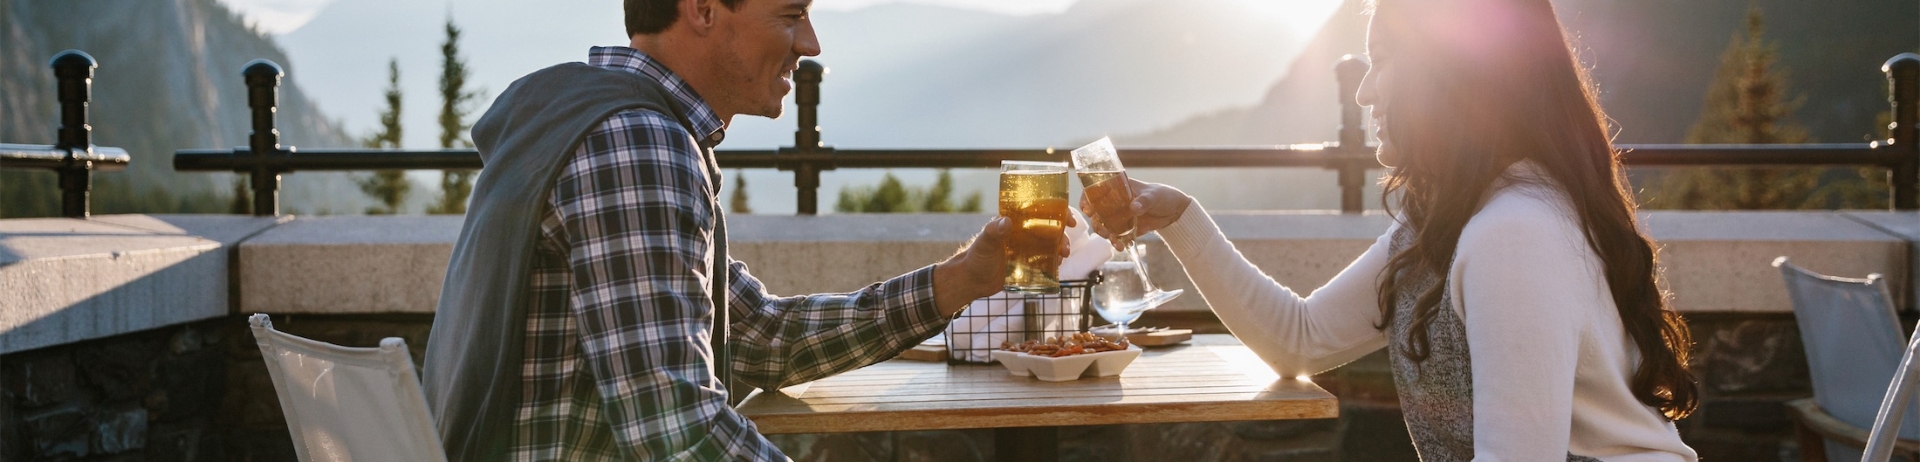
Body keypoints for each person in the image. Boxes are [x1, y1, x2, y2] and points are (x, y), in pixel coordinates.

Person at [420, 0, 1059, 459]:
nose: (810, 43)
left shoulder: (593, 117)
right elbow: (675, 431)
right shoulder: (638, 144)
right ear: (701, 9)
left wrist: (963, 279)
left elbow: (761, 337)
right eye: (790, 14)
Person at [1086, 0, 1700, 459]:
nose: (1362, 90)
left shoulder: (1514, 235)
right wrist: (1181, 218)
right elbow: (1302, 339)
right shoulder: (1450, 219)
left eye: (1382, 61)